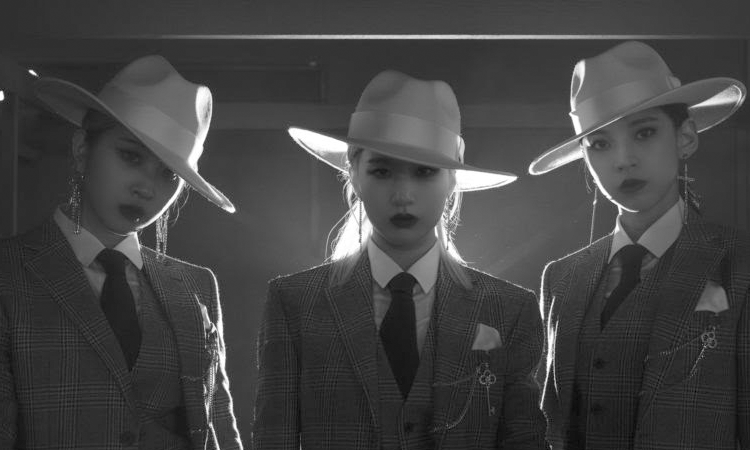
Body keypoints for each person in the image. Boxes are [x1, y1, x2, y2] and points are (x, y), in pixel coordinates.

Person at [253, 70, 546, 450]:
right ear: (353, 174)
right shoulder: (295, 303)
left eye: (424, 172)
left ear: (451, 180)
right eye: (382, 171)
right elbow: (273, 439)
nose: (403, 195)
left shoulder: (509, 309)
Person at [0, 55, 243, 449]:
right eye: (131, 156)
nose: (146, 187)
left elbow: (218, 429)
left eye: (168, 174)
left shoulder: (195, 285)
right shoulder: (9, 273)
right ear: (82, 149)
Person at [528, 40, 750, 450]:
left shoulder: (739, 265)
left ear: (685, 137)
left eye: (644, 133)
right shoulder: (562, 278)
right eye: (600, 144)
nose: (623, 159)